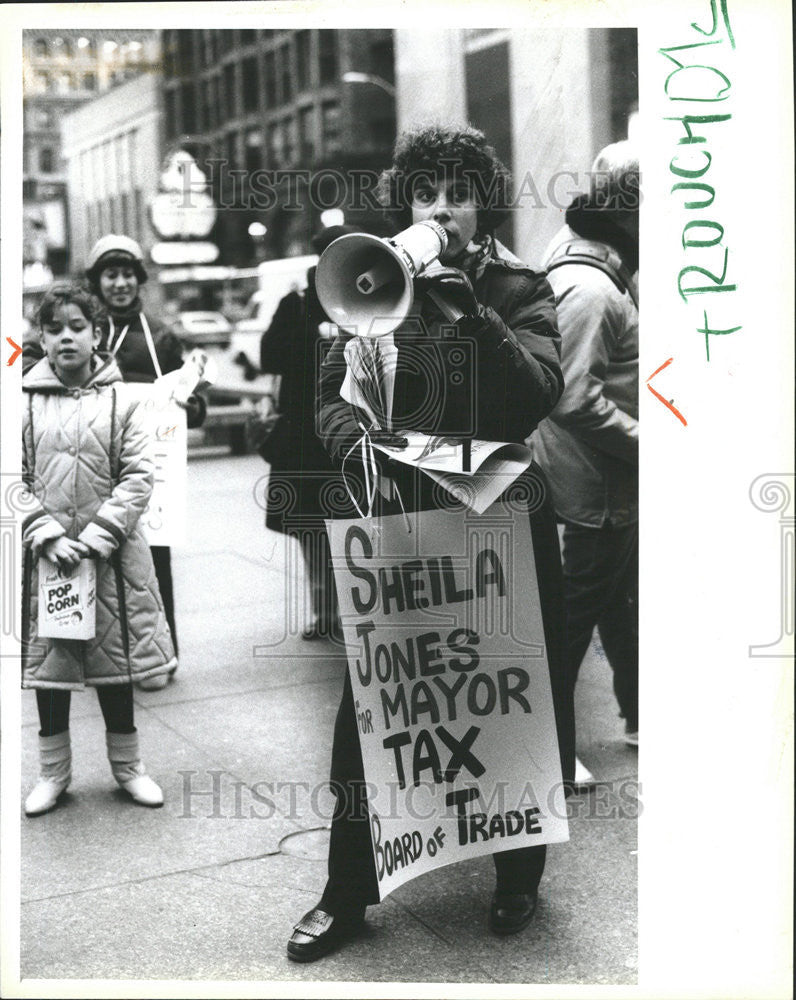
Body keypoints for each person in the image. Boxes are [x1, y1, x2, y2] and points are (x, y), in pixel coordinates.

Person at [286, 124, 575, 962]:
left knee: (515, 699)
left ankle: (517, 874)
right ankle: (347, 890)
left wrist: (470, 307)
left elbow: (533, 399)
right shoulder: (373, 280)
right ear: (406, 201)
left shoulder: (521, 288)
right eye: (425, 193)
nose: (441, 208)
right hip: (404, 521)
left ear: (483, 200)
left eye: (457, 191)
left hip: (499, 526)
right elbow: (332, 395)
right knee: (378, 706)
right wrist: (353, 446)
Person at [21, 281, 176, 816]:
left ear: (96, 333)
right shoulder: (20, 403)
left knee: (118, 663)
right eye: (55, 328)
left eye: (77, 327)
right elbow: (9, 479)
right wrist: (44, 531)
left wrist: (95, 537)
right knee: (51, 667)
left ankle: (129, 768)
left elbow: (137, 476)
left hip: (109, 560)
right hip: (49, 561)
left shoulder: (122, 400)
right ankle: (52, 773)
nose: (66, 337)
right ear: (40, 337)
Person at [532, 141, 639, 785]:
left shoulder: (582, 266)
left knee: (615, 604)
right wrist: (652, 444)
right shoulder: (591, 286)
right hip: (592, 491)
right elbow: (573, 397)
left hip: (599, 486)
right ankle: (546, 745)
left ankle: (639, 713)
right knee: (573, 620)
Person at [85, 235, 206, 689]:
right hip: (98, 468)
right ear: (96, 282)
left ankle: (160, 655)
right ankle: (106, 659)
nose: (119, 284)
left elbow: (187, 397)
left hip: (152, 476)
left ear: (139, 280)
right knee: (100, 562)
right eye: (110, 276)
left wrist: (192, 405)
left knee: (154, 566)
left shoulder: (160, 335)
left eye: (127, 275)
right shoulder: (87, 333)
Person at [259, 226, 362, 643]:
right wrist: (314, 334)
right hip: (304, 434)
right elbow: (270, 355)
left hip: (347, 433)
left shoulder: (364, 299)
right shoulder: (298, 303)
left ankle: (355, 608)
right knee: (309, 528)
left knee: (352, 525)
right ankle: (324, 610)